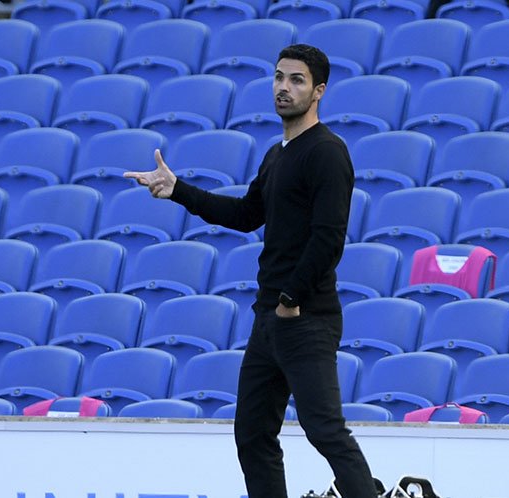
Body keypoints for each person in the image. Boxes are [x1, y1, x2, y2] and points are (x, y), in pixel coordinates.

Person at [124, 44, 377, 498]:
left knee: (325, 431)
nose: (284, 87)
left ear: (319, 91)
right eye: (279, 77)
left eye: (296, 80)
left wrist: (290, 300)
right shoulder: (277, 154)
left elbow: (328, 238)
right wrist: (178, 189)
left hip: (305, 318)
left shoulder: (327, 152)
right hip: (269, 320)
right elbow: (245, 214)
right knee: (253, 435)